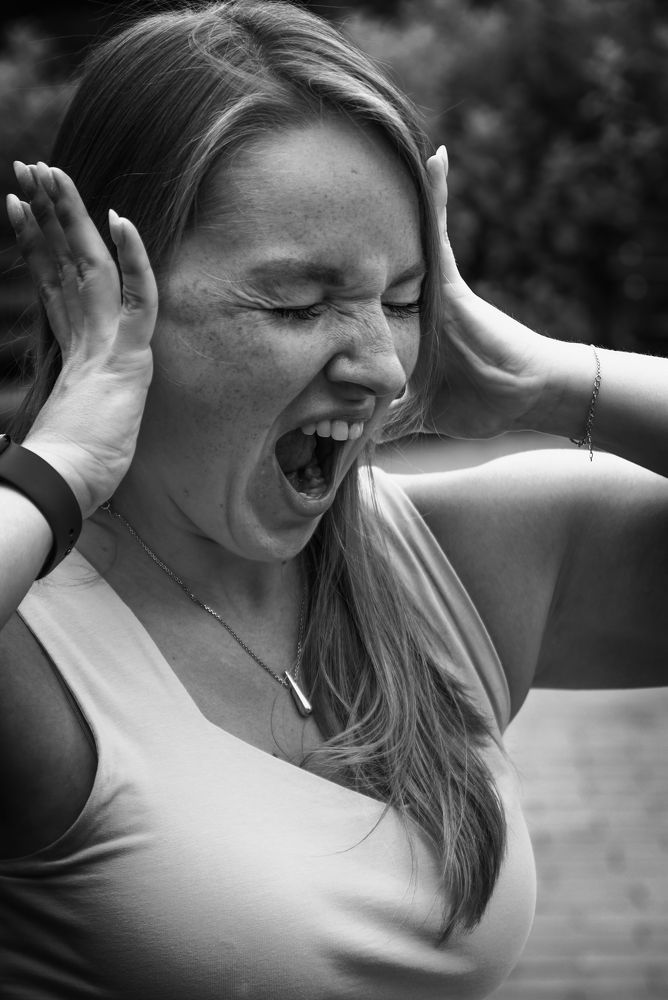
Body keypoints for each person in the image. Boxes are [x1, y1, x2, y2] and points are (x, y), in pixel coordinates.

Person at [0, 2, 666, 997]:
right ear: (106, 296)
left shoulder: (452, 567)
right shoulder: (35, 639)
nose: (383, 367)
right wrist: (59, 464)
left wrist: (552, 383)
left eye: (401, 300)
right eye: (298, 304)